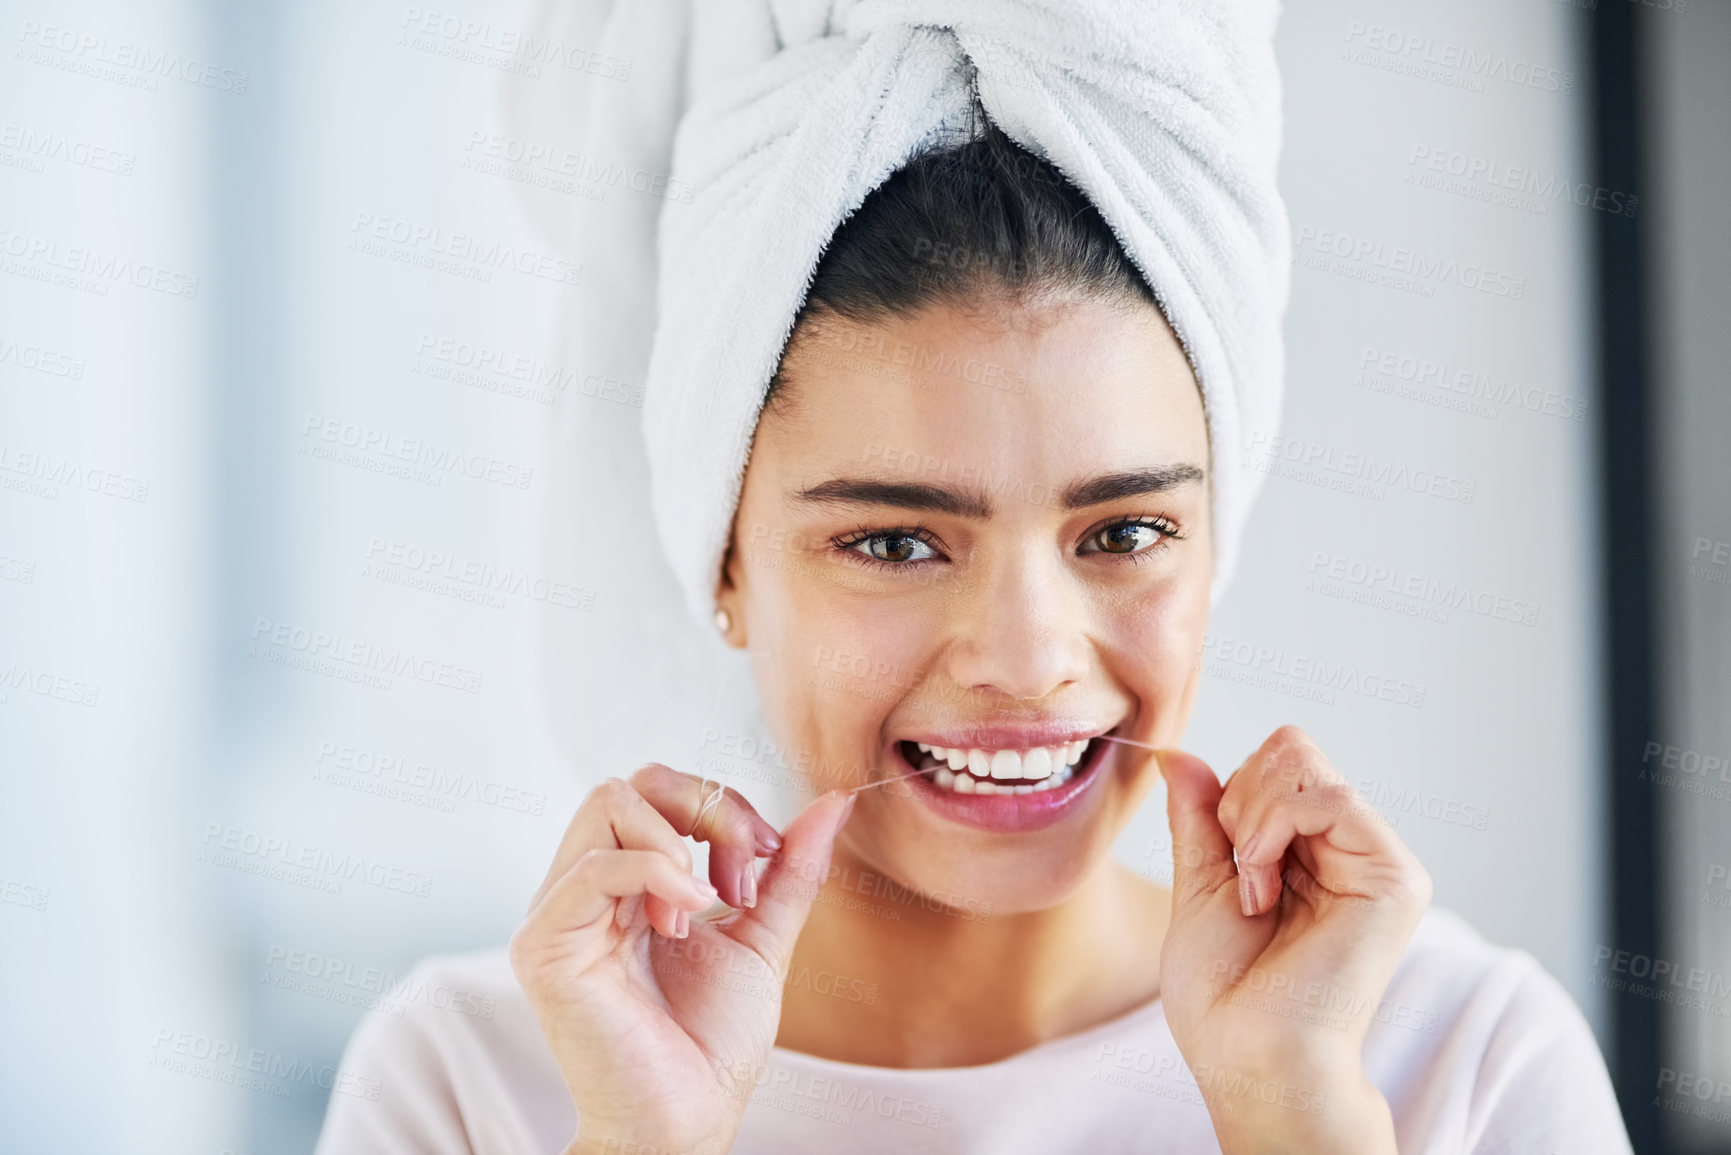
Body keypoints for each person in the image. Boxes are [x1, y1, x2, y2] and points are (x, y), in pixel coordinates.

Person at [315, 119, 1631, 1153]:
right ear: (724, 563)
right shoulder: (475, 1081)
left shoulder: (1456, 1056)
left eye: (1121, 533)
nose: (1023, 656)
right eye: (894, 542)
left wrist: (1293, 1119)